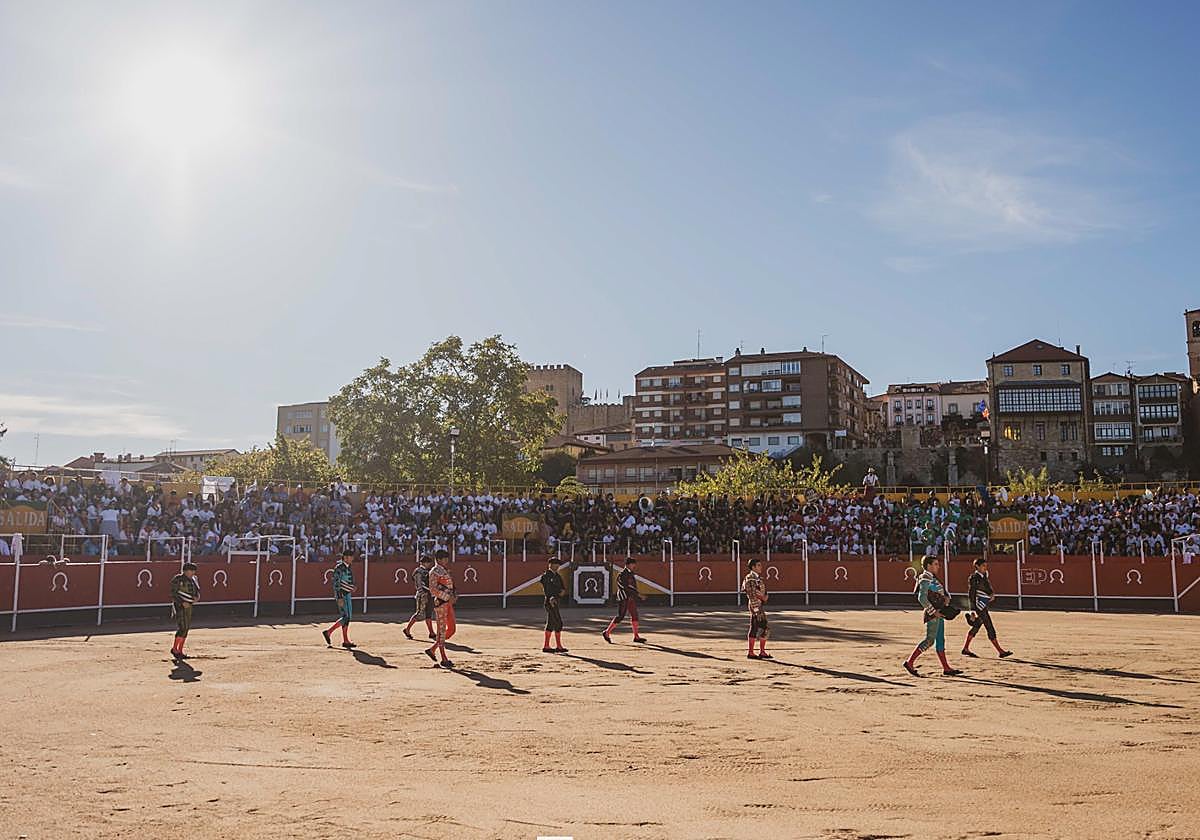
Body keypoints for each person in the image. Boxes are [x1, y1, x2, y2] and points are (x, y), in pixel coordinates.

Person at [903, 555, 962, 677]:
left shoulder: (931, 577)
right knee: (930, 640)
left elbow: (939, 593)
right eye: (935, 564)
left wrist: (946, 598)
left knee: (940, 640)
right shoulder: (925, 577)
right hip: (933, 614)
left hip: (939, 612)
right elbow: (922, 598)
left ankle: (946, 668)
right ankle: (909, 662)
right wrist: (933, 612)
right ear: (928, 565)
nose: (938, 566)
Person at [962, 557, 1012, 658]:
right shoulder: (974, 578)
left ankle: (965, 648)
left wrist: (991, 594)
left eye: (986, 566)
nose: (985, 567)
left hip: (982, 605)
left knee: (976, 626)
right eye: (983, 566)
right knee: (989, 626)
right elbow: (971, 593)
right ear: (977, 566)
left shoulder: (983, 576)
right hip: (978, 606)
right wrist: (972, 610)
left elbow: (987, 587)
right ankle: (1000, 651)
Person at [602, 556, 645, 644]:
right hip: (623, 597)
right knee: (620, 616)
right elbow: (625, 587)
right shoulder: (622, 574)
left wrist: (635, 594)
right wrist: (637, 594)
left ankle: (636, 636)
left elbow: (632, 586)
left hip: (630, 597)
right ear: (628, 565)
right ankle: (606, 632)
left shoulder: (630, 574)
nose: (634, 566)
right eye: (633, 564)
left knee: (634, 615)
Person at [425, 549, 457, 668]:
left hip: (447, 602)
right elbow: (433, 589)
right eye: (445, 559)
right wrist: (448, 597)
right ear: (438, 560)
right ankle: (444, 659)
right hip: (441, 603)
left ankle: (433, 649)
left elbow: (450, 586)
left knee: (452, 629)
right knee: (442, 630)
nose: (447, 561)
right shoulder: (434, 571)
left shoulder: (443, 570)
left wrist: (453, 595)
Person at [322, 549, 357, 649]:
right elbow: (336, 584)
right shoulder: (339, 568)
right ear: (345, 557)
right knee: (346, 617)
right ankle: (329, 632)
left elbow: (347, 581)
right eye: (351, 556)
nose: (352, 558)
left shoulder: (348, 567)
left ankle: (345, 640)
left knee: (348, 617)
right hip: (342, 594)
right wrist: (339, 597)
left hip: (347, 594)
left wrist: (352, 587)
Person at [741, 557, 771, 660]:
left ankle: (758, 651)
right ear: (753, 567)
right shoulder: (750, 578)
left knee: (759, 627)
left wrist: (764, 597)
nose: (761, 567)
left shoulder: (757, 578)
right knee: (761, 627)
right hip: (755, 605)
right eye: (758, 565)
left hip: (758, 605)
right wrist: (756, 609)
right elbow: (752, 594)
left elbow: (761, 592)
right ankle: (754, 652)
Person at [169, 562, 200, 660]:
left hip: (189, 606)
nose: (193, 573)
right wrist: (181, 602)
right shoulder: (177, 579)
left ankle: (180, 650)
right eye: (191, 570)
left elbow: (197, 591)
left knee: (186, 628)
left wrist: (197, 597)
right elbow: (173, 593)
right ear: (186, 571)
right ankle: (175, 649)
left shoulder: (194, 579)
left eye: (194, 571)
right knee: (182, 627)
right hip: (179, 606)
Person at [403, 555, 436, 641]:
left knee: (428, 613)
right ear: (423, 563)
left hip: (429, 594)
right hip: (423, 594)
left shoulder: (427, 571)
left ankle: (431, 633)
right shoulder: (418, 571)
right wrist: (427, 591)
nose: (429, 564)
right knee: (419, 614)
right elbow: (420, 584)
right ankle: (407, 630)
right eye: (428, 562)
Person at [540, 555, 569, 653]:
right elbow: (547, 589)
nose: (558, 567)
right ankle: (557, 646)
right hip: (550, 602)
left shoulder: (557, 576)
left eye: (558, 565)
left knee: (552, 623)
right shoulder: (546, 576)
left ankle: (547, 646)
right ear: (550, 565)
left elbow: (562, 587)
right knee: (558, 622)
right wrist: (551, 597)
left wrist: (562, 592)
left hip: (556, 600)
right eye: (556, 565)